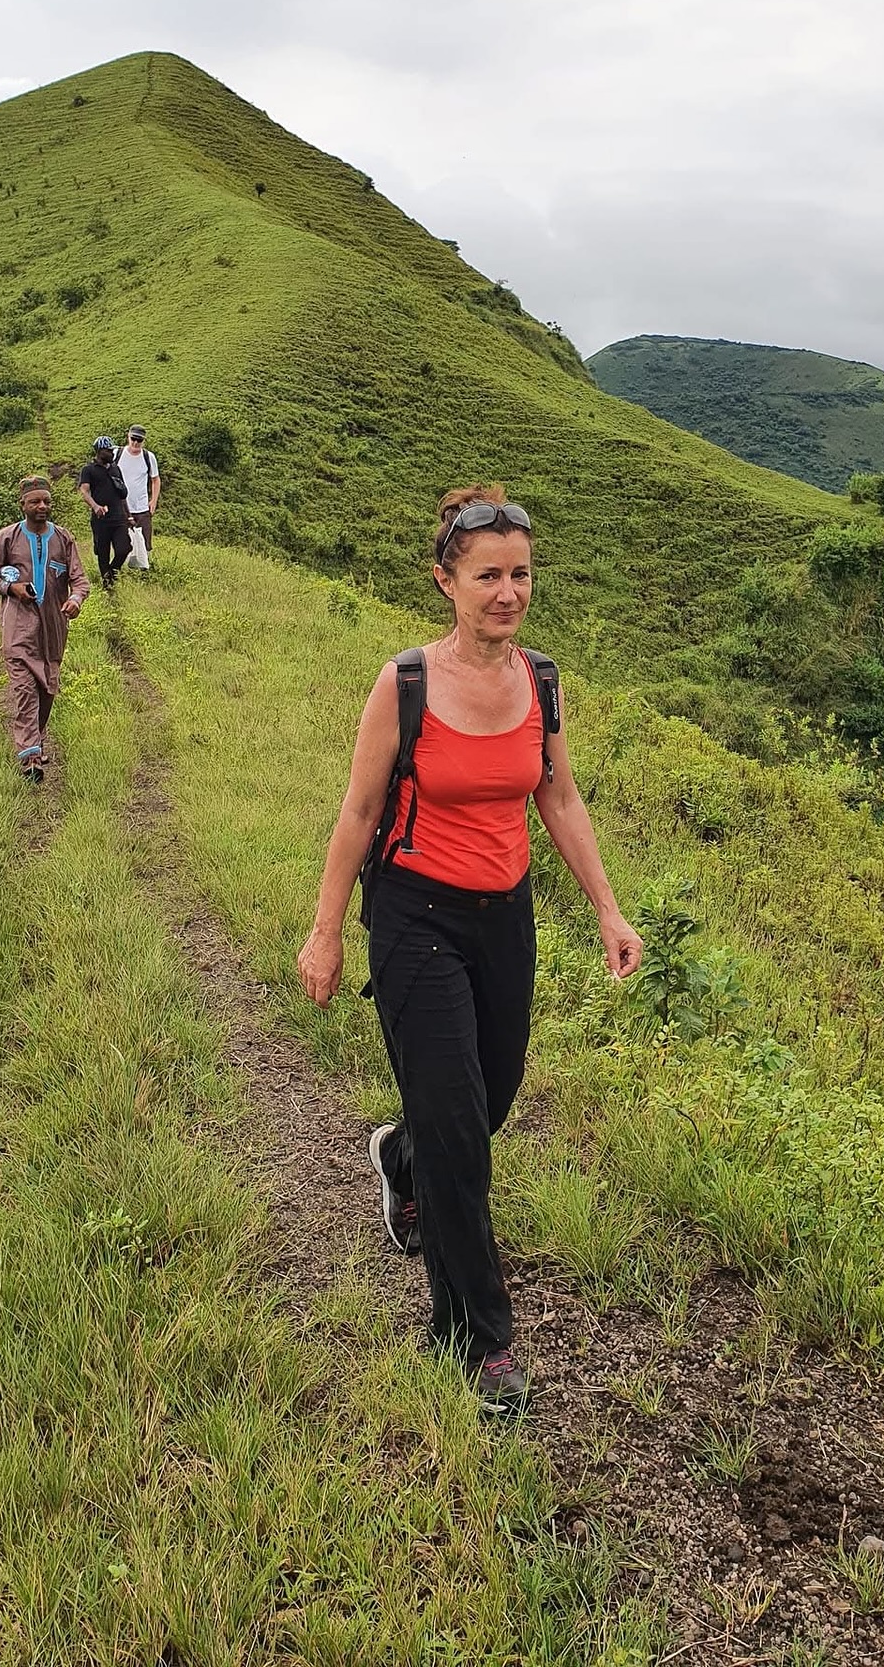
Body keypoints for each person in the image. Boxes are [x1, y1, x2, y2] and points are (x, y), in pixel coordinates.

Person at [297, 485, 643, 1414]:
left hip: (504, 917)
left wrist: (609, 911)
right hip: (415, 918)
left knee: (487, 1099)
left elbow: (558, 797)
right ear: (446, 581)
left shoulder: (541, 682)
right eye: (488, 575)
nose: (507, 592)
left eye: (520, 574)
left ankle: (403, 1160)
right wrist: (326, 933)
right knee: (460, 1133)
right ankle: (476, 1337)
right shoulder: (406, 683)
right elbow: (359, 813)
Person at [0, 475, 89, 781]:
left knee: (47, 689)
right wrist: (11, 588)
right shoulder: (7, 537)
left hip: (53, 629)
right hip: (19, 629)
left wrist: (76, 599)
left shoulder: (63, 539)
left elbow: (80, 580)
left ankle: (35, 741)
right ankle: (30, 759)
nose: (42, 506)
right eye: (35, 501)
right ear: (22, 505)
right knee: (25, 690)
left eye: (46, 501)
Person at [77, 437, 130, 590]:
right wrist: (95, 506)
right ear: (100, 452)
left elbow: (122, 493)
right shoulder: (88, 470)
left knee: (124, 548)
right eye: (109, 451)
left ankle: (112, 573)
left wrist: (129, 515)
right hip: (101, 520)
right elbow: (84, 491)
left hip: (119, 517)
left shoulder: (115, 468)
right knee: (103, 553)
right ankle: (107, 585)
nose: (112, 453)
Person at [118, 426, 161, 566]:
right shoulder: (117, 454)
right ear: (128, 437)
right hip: (121, 508)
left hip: (142, 507)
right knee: (122, 544)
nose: (135, 443)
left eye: (139, 440)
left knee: (144, 544)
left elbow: (155, 479)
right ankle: (123, 570)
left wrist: (153, 500)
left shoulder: (149, 457)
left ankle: (144, 570)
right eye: (133, 439)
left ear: (144, 441)